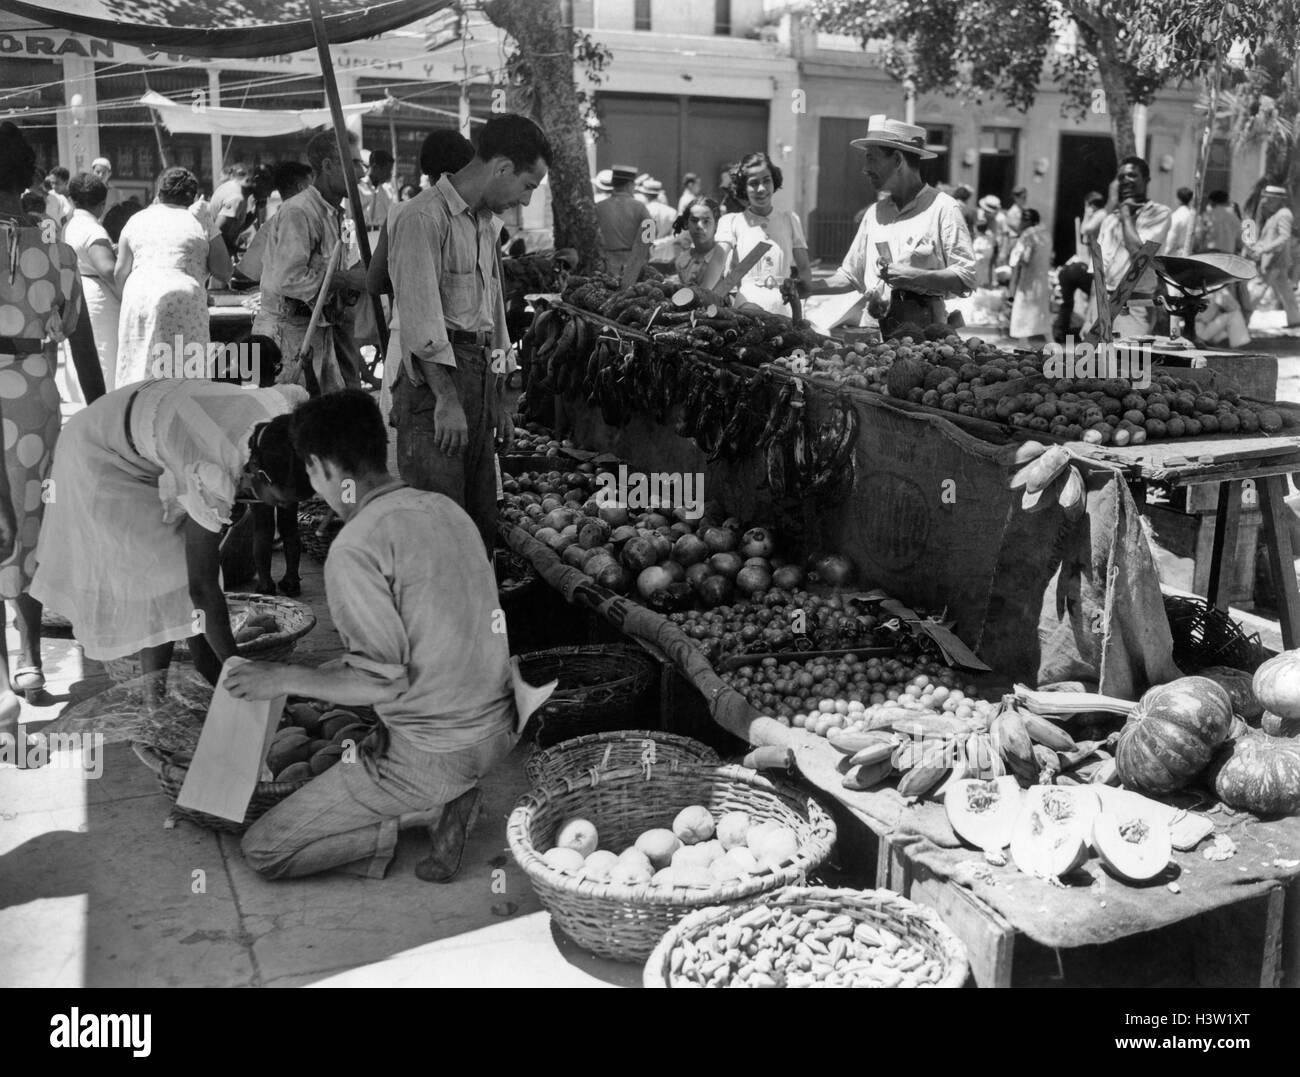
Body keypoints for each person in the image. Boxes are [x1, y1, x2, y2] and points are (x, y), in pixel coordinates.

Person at [228, 390, 519, 881]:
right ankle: (445, 793)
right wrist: (315, 677)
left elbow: (380, 684)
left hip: (437, 752)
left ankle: (423, 813)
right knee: (342, 688)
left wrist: (280, 678)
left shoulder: (356, 547)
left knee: (264, 850)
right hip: (501, 730)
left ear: (318, 466)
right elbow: (431, 634)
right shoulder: (444, 508)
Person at [32, 378, 308, 686]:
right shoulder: (214, 472)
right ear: (259, 474)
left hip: (150, 435)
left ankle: (211, 679)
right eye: (282, 500)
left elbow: (299, 394)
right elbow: (201, 588)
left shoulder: (276, 421)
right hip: (101, 454)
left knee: (180, 574)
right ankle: (157, 700)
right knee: (159, 580)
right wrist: (241, 670)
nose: (284, 508)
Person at [388, 114, 547, 552]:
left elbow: (491, 319)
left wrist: (497, 398)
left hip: (478, 384)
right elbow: (421, 320)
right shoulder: (422, 217)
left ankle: (475, 619)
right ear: (500, 168)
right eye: (528, 186)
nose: (526, 200)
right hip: (437, 388)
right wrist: (445, 399)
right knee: (439, 530)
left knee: (479, 525)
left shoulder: (484, 225)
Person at [0, 123, 104, 729]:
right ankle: (31, 659)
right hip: (35, 395)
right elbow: (83, 345)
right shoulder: (57, 247)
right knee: (30, 524)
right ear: (31, 178)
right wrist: (107, 417)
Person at [803, 117, 974, 335]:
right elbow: (851, 276)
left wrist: (914, 276)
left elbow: (966, 278)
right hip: (873, 334)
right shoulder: (875, 213)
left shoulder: (943, 209)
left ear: (897, 160)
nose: (865, 169)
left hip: (925, 338)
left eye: (871, 159)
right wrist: (809, 287)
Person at [371, 130, 476, 427]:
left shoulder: (401, 211)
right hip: (443, 350)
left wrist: (408, 280)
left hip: (408, 341)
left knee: (402, 456)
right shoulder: (473, 217)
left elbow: (374, 283)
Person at [252, 129, 367, 395]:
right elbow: (288, 279)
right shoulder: (299, 211)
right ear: (328, 166)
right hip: (288, 338)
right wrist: (347, 279)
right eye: (354, 163)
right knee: (289, 421)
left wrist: (352, 281)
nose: (361, 173)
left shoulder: (337, 215)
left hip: (318, 334)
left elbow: (337, 272)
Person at [114, 167, 232, 387]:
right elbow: (224, 271)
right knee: (184, 380)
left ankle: (136, 417)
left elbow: (120, 272)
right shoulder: (199, 220)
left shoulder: (137, 219)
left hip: (137, 298)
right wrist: (210, 224)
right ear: (194, 197)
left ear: (159, 194)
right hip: (183, 300)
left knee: (138, 371)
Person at [1085, 155, 1171, 337]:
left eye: (1132, 175)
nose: (1126, 181)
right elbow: (1099, 270)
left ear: (1146, 180)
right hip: (1103, 306)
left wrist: (1125, 215)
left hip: (1135, 308)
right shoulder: (1110, 219)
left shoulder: (1159, 213)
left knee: (1132, 364)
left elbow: (1140, 254)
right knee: (1099, 365)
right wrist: (1089, 316)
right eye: (1121, 177)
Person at [717, 151, 812, 315]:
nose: (761, 189)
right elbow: (722, 267)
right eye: (753, 183)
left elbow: (804, 268)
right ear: (744, 188)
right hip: (747, 306)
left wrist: (800, 303)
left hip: (784, 306)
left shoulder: (789, 219)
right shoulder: (733, 222)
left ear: (774, 182)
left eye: (766, 181)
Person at [63, 172, 121, 393]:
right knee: (104, 359)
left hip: (78, 289)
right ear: (102, 204)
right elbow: (107, 269)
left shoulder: (70, 225)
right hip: (97, 298)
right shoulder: (93, 229)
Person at [1053, 190, 1107, 343]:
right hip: (1091, 262)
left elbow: (1085, 230)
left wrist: (1087, 214)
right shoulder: (1096, 215)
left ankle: (1091, 332)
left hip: (1098, 263)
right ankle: (1063, 331)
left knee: (1094, 299)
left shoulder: (1101, 214)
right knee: (1070, 296)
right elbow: (1084, 238)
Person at [1250, 184, 1300, 327]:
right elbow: (1270, 237)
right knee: (1286, 291)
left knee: (1258, 290)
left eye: (1269, 199)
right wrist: (1258, 246)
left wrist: (1263, 250)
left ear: (1278, 200)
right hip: (1278, 261)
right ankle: (1295, 320)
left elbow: (1284, 238)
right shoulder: (1276, 215)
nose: (1265, 202)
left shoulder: (1283, 214)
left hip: (1273, 261)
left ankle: (1244, 318)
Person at [595, 164, 651, 288]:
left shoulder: (599, 207)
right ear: (629, 185)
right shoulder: (639, 207)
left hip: (609, 263)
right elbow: (651, 233)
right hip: (634, 263)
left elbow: (595, 238)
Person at [1009, 208, 1052, 342]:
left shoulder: (1028, 235)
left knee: (1023, 310)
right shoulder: (1045, 234)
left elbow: (1024, 258)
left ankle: (1023, 343)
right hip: (1042, 278)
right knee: (1042, 312)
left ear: (1026, 221)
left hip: (1028, 279)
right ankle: (1050, 342)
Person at [672, 197, 728, 292]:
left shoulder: (726, 256)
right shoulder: (682, 261)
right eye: (694, 220)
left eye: (706, 221)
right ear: (686, 223)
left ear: (716, 225)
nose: (699, 226)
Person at [210, 163, 255, 256]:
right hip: (216, 255)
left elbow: (237, 227)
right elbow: (217, 232)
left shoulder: (239, 194)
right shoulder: (236, 197)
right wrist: (234, 249)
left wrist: (255, 210)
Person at [637, 176, 678, 263]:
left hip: (649, 259)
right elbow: (676, 235)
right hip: (668, 258)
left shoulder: (643, 211)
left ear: (645, 194)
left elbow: (644, 239)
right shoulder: (672, 212)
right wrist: (661, 243)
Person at [1164, 186, 1195, 257]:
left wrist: (1165, 253)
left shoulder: (1176, 216)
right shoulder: (1194, 216)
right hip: (1192, 255)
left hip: (1177, 255)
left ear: (1178, 199)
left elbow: (1171, 240)